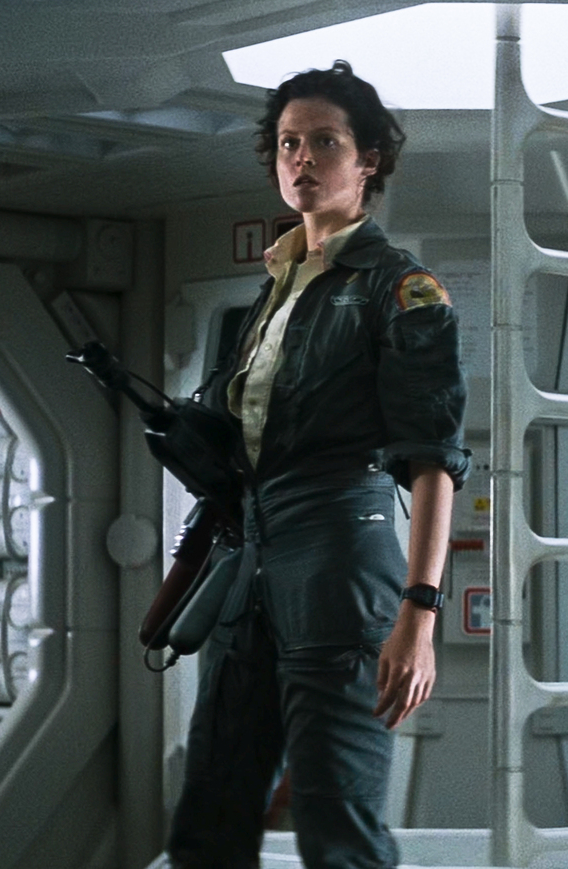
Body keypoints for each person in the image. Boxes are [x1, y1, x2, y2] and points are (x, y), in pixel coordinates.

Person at [166, 61, 469, 869]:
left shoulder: (399, 288)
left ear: (368, 160)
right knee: (208, 821)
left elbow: (433, 460)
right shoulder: (276, 286)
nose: (301, 158)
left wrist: (418, 615)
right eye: (288, 143)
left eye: (324, 142)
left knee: (338, 833)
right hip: (252, 563)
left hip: (340, 563)